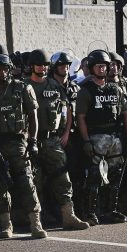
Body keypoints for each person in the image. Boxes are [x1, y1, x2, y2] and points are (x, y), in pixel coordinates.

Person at [0, 53, 46, 239]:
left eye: (5, 68)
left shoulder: (22, 88)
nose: (2, 72)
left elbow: (33, 116)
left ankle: (35, 223)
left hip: (19, 143)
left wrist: (32, 141)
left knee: (27, 183)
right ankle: (6, 225)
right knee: (0, 186)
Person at [26, 49, 89, 230]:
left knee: (62, 177)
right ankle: (35, 219)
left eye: (45, 65)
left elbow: (67, 110)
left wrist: (66, 132)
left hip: (52, 140)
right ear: (32, 66)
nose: (42, 68)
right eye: (39, 65)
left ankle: (68, 215)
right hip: (31, 140)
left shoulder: (54, 86)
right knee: (34, 181)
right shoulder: (24, 86)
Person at [76, 50, 127, 225]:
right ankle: (91, 212)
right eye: (98, 66)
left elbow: (125, 113)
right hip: (96, 137)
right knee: (94, 177)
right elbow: (81, 118)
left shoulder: (116, 88)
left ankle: (111, 210)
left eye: (105, 66)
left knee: (116, 176)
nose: (102, 69)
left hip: (115, 138)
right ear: (92, 68)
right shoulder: (85, 90)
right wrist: (86, 141)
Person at [50, 51, 86, 220]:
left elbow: (79, 112)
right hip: (55, 136)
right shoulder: (48, 87)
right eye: (61, 65)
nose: (65, 68)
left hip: (74, 136)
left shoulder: (75, 87)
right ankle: (55, 210)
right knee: (56, 175)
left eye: (67, 65)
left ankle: (76, 209)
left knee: (76, 173)